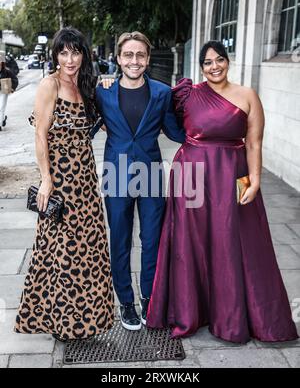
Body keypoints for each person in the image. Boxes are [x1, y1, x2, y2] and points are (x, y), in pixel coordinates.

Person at [147, 41, 298, 344]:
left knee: (238, 239)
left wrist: (254, 180)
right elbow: (166, 122)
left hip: (236, 174)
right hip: (190, 174)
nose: (214, 67)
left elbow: (254, 144)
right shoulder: (187, 94)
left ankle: (233, 315)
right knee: (190, 243)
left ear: (228, 61)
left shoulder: (248, 96)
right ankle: (190, 311)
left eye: (219, 60)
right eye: (207, 62)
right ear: (201, 67)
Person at [14, 27, 115, 342]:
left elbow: (94, 124)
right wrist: (46, 179)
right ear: (55, 55)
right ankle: (62, 321)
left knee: (90, 248)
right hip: (61, 181)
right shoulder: (50, 84)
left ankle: (87, 318)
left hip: (85, 178)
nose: (70, 59)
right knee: (63, 252)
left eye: (76, 52)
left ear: (83, 54)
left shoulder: (85, 85)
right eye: (63, 52)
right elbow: (40, 135)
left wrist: (108, 86)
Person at [96, 31, 185, 331]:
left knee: (152, 241)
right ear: (119, 59)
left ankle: (149, 298)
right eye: (128, 55)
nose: (134, 61)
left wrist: (214, 132)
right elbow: (82, 122)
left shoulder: (162, 93)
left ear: (147, 59)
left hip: (150, 177)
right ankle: (125, 301)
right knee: (120, 240)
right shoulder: (102, 92)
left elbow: (176, 132)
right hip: (116, 175)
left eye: (140, 55)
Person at [0, 54, 18, 131]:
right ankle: (3, 118)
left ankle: (0, 124)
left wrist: (13, 88)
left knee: (1, 107)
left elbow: (15, 79)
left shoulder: (7, 71)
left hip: (4, 91)